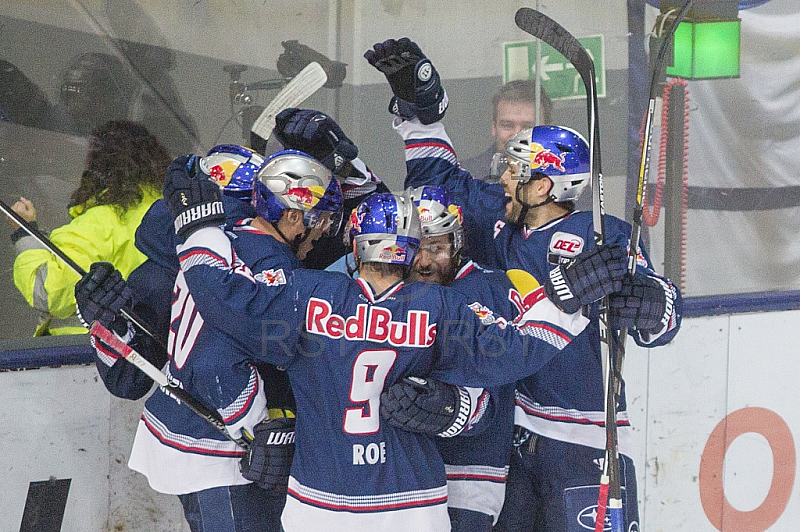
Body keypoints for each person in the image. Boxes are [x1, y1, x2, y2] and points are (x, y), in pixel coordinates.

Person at [162, 147, 610, 532]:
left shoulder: (308, 294)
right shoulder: (439, 310)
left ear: (357, 248)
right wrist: (571, 304)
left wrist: (197, 227)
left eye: (440, 244)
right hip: (412, 504)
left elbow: (220, 297)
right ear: (408, 246)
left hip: (323, 503)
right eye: (423, 244)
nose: (430, 258)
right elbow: (522, 351)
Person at [365, 37, 682, 532]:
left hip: (582, 439)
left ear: (545, 185)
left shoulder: (604, 235)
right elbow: (439, 180)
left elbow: (662, 324)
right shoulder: (498, 222)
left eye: (517, 170)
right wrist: (420, 111)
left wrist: (651, 304)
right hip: (511, 435)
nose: (505, 177)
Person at [75, 147, 342, 531]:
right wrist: (254, 430)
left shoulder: (213, 252)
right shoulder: (260, 261)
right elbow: (208, 362)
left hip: (207, 448)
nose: (324, 232)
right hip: (220, 453)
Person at [10, 119, 169, 335]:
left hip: (85, 355)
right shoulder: (169, 214)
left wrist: (24, 233)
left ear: (99, 166)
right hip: (154, 354)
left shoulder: (100, 224)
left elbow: (50, 293)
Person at [459, 79, 552, 181]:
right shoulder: (465, 177)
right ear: (494, 127)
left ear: (547, 130)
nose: (517, 135)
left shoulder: (564, 174)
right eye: (507, 126)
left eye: (528, 127)